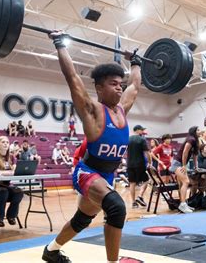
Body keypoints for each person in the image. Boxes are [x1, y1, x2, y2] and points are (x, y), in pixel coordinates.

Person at [42, 29, 142, 263]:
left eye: (120, 84)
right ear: (99, 88)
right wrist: (60, 43)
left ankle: (51, 250)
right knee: (116, 208)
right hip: (88, 172)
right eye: (113, 84)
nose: (119, 88)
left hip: (106, 175)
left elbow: (135, 87)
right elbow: (73, 79)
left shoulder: (121, 110)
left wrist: (135, 62)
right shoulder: (92, 110)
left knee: (82, 220)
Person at [0, 136, 24, 227]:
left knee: (19, 191)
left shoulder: (12, 157)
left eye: (7, 142)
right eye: (3, 142)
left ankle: (11, 216)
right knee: (3, 190)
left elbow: (14, 172)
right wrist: (8, 172)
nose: (6, 143)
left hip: (7, 186)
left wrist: (2, 173)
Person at [169, 126, 201, 213]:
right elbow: (184, 153)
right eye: (198, 130)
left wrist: (196, 167)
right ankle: (182, 204)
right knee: (186, 182)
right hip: (177, 163)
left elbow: (194, 155)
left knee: (181, 184)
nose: (200, 131)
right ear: (193, 131)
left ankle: (183, 204)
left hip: (180, 163)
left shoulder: (195, 141)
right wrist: (184, 165)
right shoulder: (191, 139)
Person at [127, 125, 151, 209]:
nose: (142, 132)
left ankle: (133, 203)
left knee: (132, 183)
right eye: (141, 130)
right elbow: (147, 153)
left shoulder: (128, 139)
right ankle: (140, 196)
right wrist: (150, 163)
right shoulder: (142, 139)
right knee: (147, 180)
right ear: (137, 130)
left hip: (129, 164)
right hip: (140, 164)